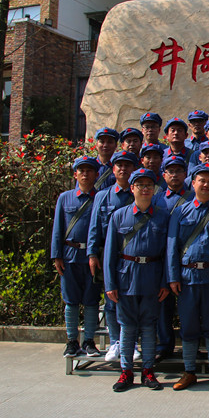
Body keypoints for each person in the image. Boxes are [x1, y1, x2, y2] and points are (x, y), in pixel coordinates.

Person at [167, 163, 209, 391]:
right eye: (201, 180)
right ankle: (189, 372)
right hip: (187, 277)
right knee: (189, 325)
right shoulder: (180, 212)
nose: (205, 185)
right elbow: (172, 247)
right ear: (193, 183)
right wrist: (173, 276)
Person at [104, 168, 170, 392]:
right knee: (128, 327)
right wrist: (110, 284)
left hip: (152, 277)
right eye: (140, 185)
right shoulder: (118, 216)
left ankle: (148, 371)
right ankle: (126, 371)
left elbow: (167, 253)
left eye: (148, 186)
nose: (144, 189)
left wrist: (164, 282)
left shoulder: (163, 216)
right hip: (126, 278)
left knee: (149, 327)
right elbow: (110, 253)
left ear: (154, 189)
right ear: (131, 188)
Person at [87, 150, 140, 362]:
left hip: (132, 256)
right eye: (119, 165)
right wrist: (92, 254)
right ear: (113, 169)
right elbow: (94, 227)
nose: (123, 169)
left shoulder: (140, 193)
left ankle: (131, 342)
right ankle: (115, 341)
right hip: (108, 254)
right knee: (110, 299)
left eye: (128, 165)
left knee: (132, 299)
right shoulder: (103, 195)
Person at [52, 156, 102, 358]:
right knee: (71, 300)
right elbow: (58, 228)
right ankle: (72, 340)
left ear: (96, 175)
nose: (85, 174)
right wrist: (56, 255)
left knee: (91, 300)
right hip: (70, 255)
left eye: (89, 170)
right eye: (81, 170)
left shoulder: (100, 197)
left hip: (92, 257)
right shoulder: (65, 198)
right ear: (75, 174)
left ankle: (89, 341)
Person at [151, 155, 193, 359]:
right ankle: (164, 344)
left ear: (186, 175)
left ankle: (191, 347)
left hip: (188, 259)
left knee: (189, 307)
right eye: (171, 171)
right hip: (161, 258)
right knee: (163, 303)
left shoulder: (195, 197)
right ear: (164, 175)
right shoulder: (156, 199)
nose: (175, 175)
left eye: (179, 171)